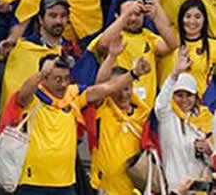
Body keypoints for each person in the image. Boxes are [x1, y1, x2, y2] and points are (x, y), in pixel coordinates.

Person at [10, 54, 151, 195]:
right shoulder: (34, 98)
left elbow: (107, 87)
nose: (64, 84)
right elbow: (22, 95)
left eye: (66, 78)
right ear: (44, 79)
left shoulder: (74, 96)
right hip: (33, 182)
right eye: (58, 79)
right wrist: (40, 74)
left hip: (66, 183)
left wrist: (133, 74)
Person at [92, 0, 179, 107]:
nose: (133, 18)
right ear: (117, 16)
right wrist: (126, 14)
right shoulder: (114, 37)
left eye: (137, 14)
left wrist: (156, 17)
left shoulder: (149, 37)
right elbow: (103, 44)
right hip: (116, 109)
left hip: (144, 111)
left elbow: (172, 44)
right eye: (129, 14)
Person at [0, 0, 75, 110]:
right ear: (40, 19)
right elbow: (14, 94)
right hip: (32, 121)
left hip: (62, 121)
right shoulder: (24, 49)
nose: (58, 21)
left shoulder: (72, 49)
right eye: (52, 16)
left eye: (63, 16)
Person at [90, 54, 151, 195]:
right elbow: (99, 86)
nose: (123, 95)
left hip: (135, 190)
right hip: (106, 190)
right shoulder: (102, 109)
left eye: (126, 88)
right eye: (117, 89)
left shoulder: (144, 115)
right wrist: (112, 56)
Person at [155, 47, 214, 189]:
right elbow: (160, 104)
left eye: (189, 95)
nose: (184, 100)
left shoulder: (205, 120)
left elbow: (213, 162)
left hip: (200, 189)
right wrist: (175, 74)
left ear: (196, 97)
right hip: (175, 189)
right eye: (179, 95)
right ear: (173, 96)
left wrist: (208, 151)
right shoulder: (167, 117)